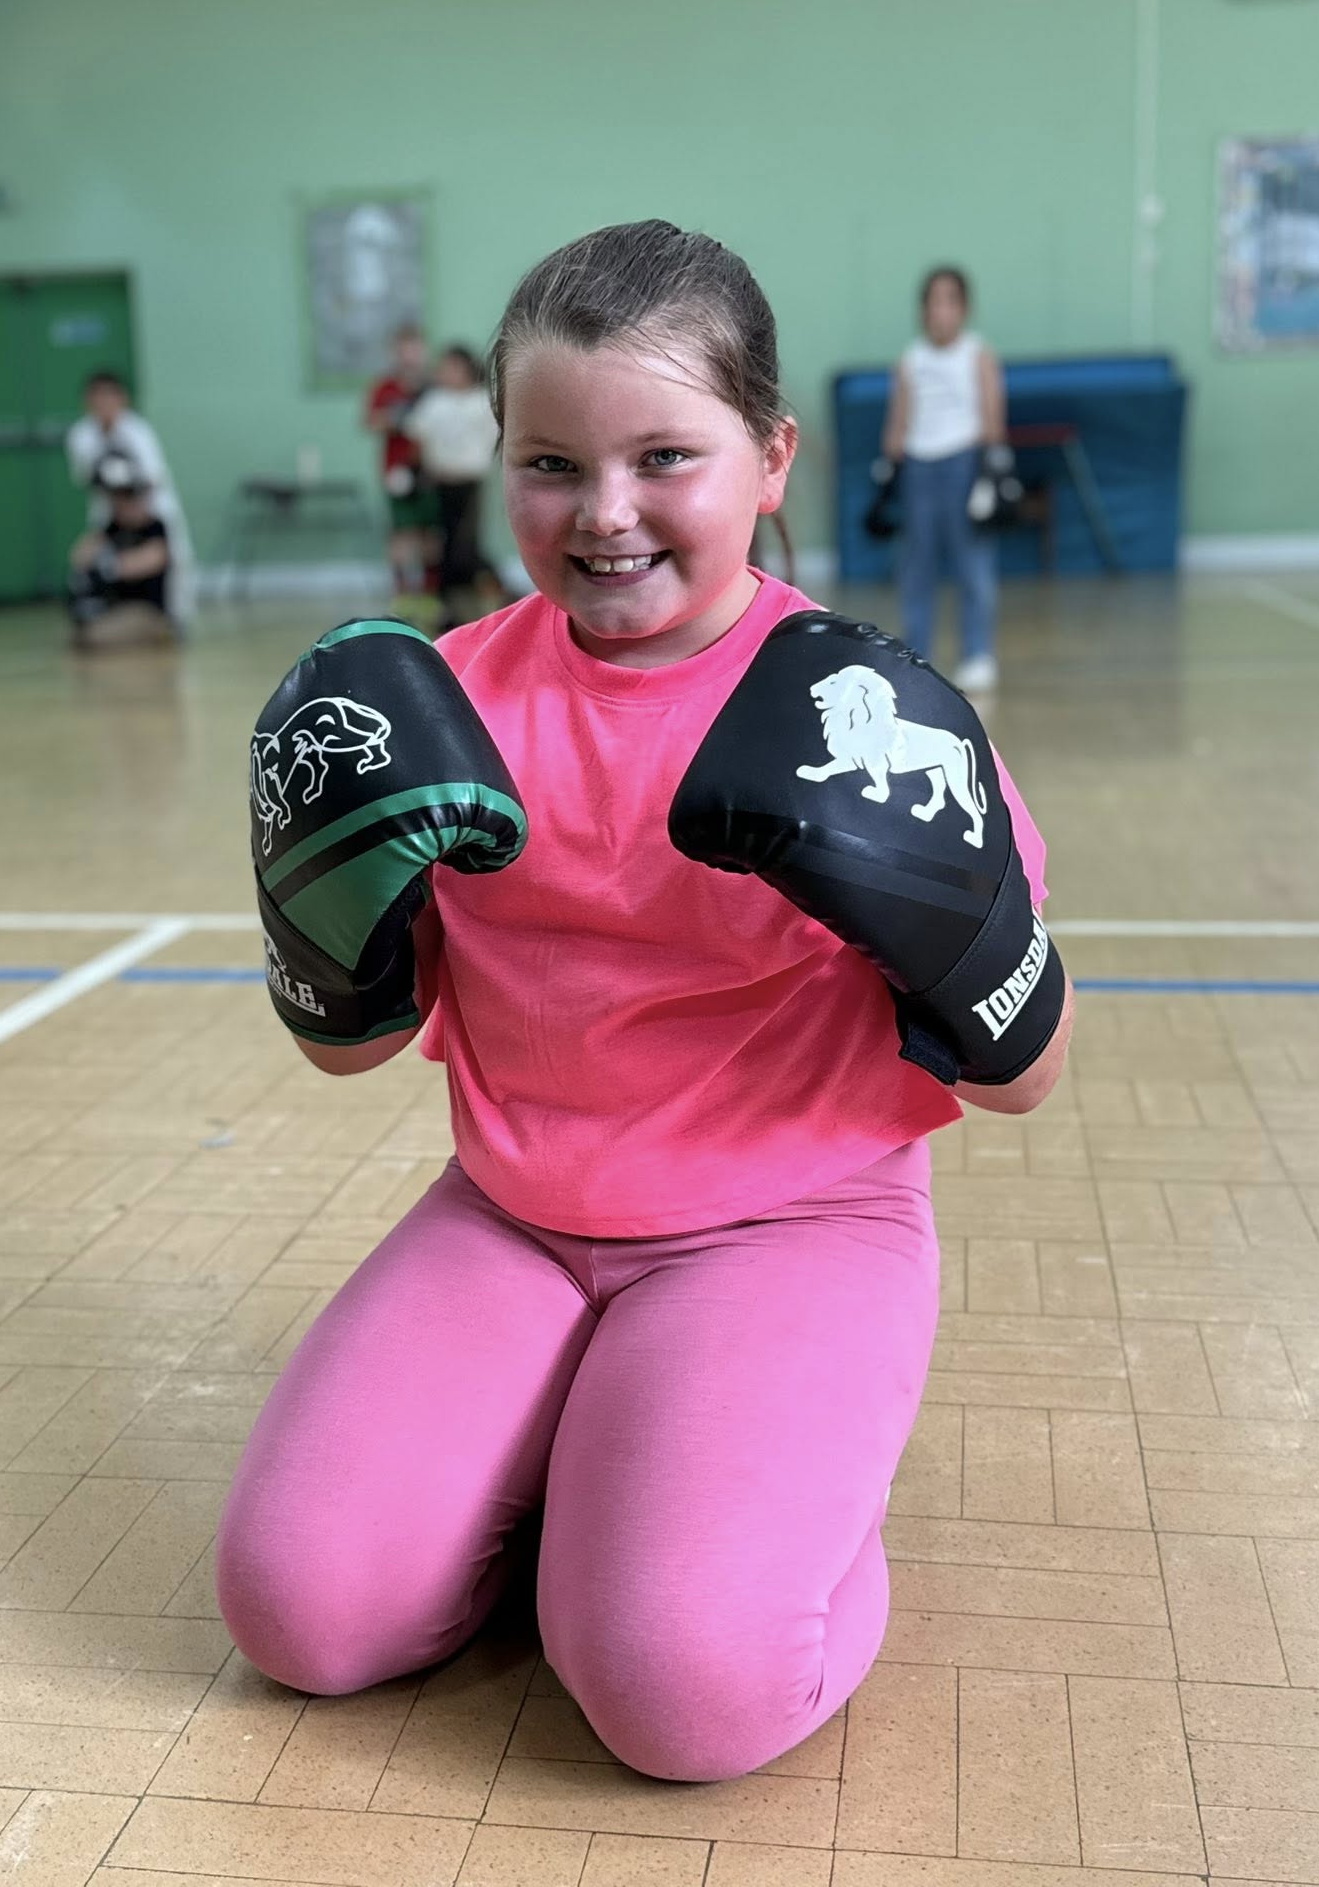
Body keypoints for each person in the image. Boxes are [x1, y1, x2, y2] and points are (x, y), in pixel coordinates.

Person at [220, 221, 1074, 1784]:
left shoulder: (862, 714)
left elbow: (1027, 1072)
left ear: (772, 457)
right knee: (299, 1613)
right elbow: (354, 1050)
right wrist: (318, 912)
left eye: (665, 456)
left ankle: (787, 1515)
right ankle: (593, 1481)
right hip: (513, 1218)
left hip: (793, 1224)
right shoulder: (441, 705)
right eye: (551, 465)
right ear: (503, 464)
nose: (604, 514)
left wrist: (932, 912)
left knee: (683, 1688)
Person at [881, 266, 1009, 693]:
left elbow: (992, 412)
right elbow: (899, 418)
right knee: (917, 565)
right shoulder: (911, 359)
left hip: (964, 462)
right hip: (920, 466)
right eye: (933, 302)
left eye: (949, 301)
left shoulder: (977, 355)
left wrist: (991, 467)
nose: (940, 311)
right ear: (923, 310)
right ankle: (917, 655)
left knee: (973, 562)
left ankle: (977, 653)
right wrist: (890, 464)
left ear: (964, 309)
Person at [65, 370, 195, 625]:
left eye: (109, 397)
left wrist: (135, 506)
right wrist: (117, 505)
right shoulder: (81, 435)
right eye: (97, 398)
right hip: (109, 507)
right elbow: (86, 479)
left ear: (122, 399)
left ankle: (176, 616)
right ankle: (103, 608)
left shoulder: (137, 431)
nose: (103, 404)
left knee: (174, 556)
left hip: (150, 505)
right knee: (94, 557)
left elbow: (152, 477)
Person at [403, 344, 504, 621]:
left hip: (470, 483)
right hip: (440, 483)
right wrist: (416, 473)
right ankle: (448, 607)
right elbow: (417, 438)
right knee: (445, 546)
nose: (446, 373)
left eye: (452, 367)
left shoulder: (482, 401)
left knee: (465, 546)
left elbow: (496, 439)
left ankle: (492, 590)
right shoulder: (434, 401)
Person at [66, 452, 174, 644]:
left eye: (124, 496)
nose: (119, 504)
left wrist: (108, 567)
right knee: (82, 630)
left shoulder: (154, 527)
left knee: (93, 637)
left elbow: (152, 559)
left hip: (147, 611)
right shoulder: (112, 528)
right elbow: (79, 556)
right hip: (117, 608)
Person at [363, 324, 436, 601]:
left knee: (430, 534)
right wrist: (401, 417)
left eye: (414, 349)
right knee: (401, 533)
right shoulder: (386, 387)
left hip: (431, 471)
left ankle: (430, 592)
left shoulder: (433, 386)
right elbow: (371, 422)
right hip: (397, 472)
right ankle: (403, 593)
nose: (409, 356)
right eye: (404, 350)